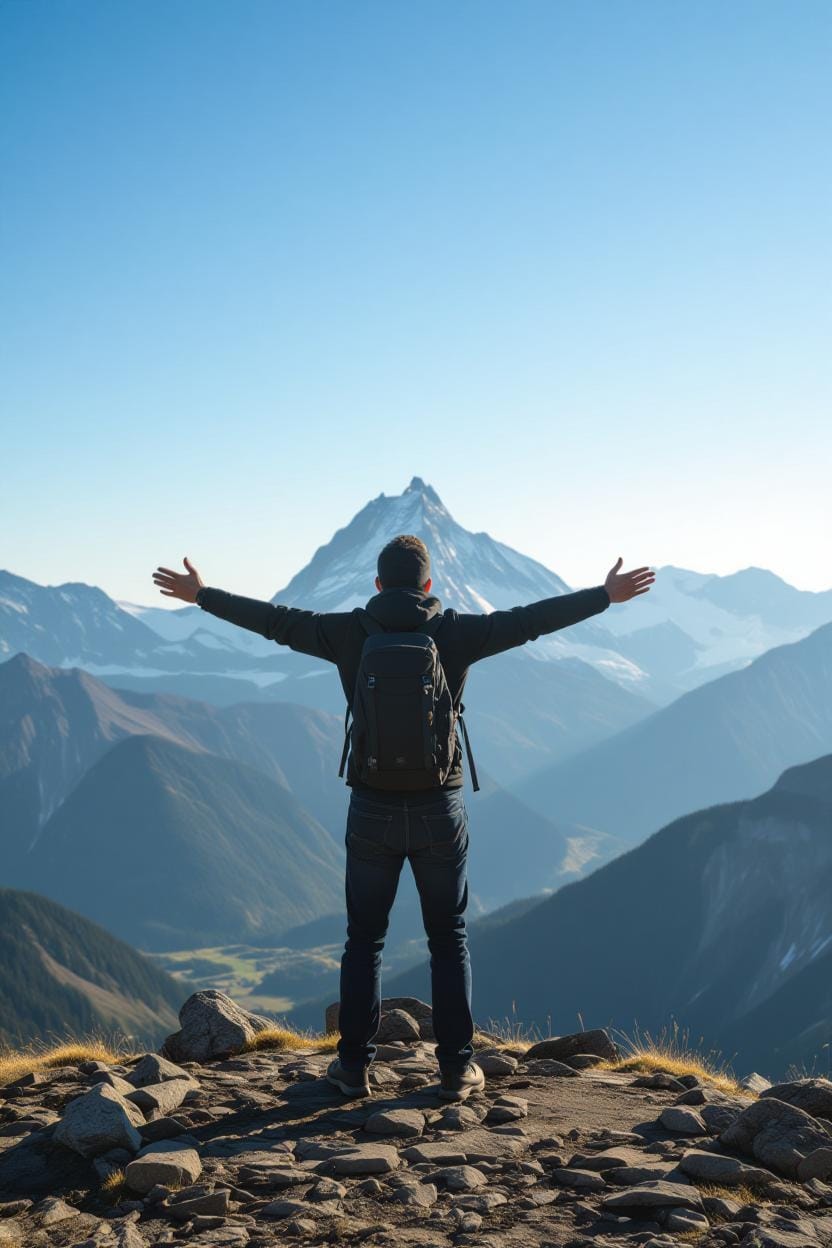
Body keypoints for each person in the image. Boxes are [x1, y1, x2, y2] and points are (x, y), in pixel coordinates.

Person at [152, 538, 654, 1100]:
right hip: (441, 806)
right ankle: (457, 1068)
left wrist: (202, 596)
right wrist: (603, 597)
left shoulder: (346, 632)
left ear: (376, 586)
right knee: (449, 937)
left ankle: (352, 1068)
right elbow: (530, 622)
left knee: (364, 941)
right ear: (429, 587)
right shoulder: (458, 632)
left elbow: (274, 621)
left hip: (371, 808)